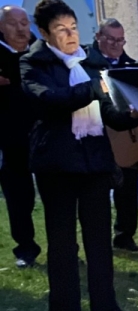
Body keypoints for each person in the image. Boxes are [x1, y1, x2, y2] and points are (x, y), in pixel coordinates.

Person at [20, 0, 138, 311]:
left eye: (73, 27)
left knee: (99, 236)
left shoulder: (89, 63)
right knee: (62, 240)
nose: (70, 34)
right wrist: (92, 88)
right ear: (45, 32)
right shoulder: (32, 63)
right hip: (56, 163)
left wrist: (133, 115)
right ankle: (64, 308)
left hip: (94, 162)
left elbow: (110, 115)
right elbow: (48, 101)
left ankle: (105, 303)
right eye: (62, 29)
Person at [84, 17, 138, 252]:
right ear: (98, 37)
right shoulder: (84, 63)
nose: (116, 45)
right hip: (94, 131)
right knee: (96, 189)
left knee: (128, 186)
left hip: (125, 134)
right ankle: (96, 238)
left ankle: (125, 234)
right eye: (111, 39)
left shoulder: (131, 65)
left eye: (121, 40)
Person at [0, 5, 41, 269]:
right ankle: (25, 248)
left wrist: (10, 78)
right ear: (2, 27)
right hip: (11, 137)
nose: (20, 28)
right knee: (18, 196)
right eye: (13, 23)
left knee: (57, 195)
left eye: (24, 22)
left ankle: (67, 248)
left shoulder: (40, 52)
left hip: (44, 134)